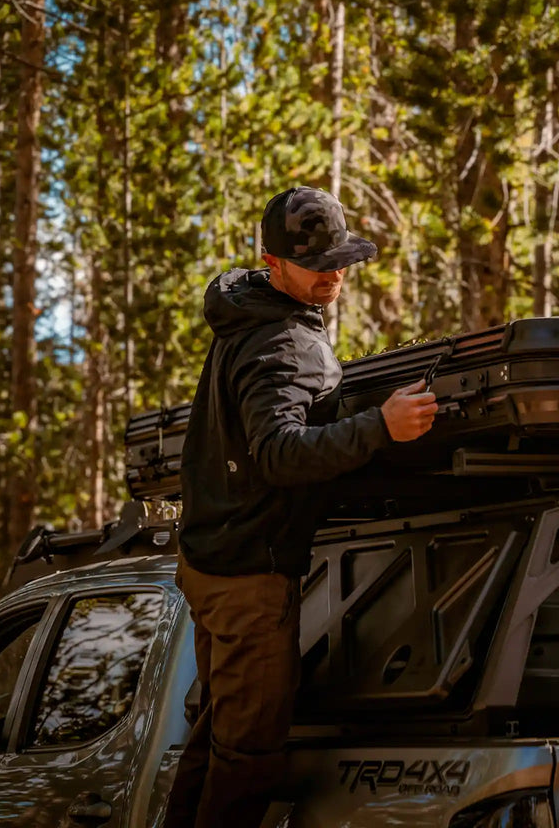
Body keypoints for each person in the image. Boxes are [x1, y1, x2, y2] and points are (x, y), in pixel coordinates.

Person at [163, 186, 438, 828]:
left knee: (216, 738)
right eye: (317, 266)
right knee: (250, 756)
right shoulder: (279, 343)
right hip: (248, 579)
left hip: (213, 563)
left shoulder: (249, 319)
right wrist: (380, 427)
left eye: (340, 261)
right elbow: (279, 455)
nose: (333, 275)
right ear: (273, 261)